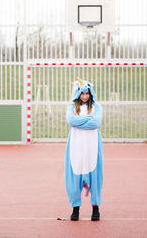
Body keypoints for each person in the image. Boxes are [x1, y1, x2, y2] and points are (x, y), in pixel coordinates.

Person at [65, 77, 104, 221]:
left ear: (91, 93)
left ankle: (95, 209)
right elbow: (70, 120)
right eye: (82, 93)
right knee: (75, 175)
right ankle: (75, 209)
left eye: (87, 93)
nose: (85, 96)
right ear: (78, 94)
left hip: (92, 145)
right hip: (76, 145)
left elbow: (96, 123)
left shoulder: (97, 107)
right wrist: (88, 119)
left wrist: (79, 122)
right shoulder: (71, 108)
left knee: (94, 176)